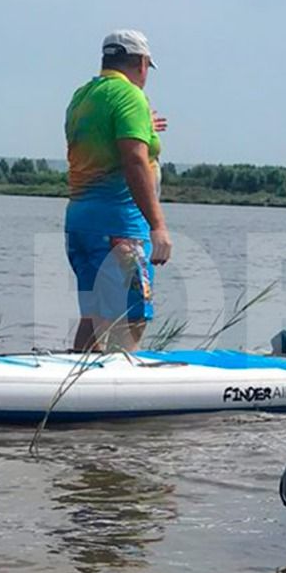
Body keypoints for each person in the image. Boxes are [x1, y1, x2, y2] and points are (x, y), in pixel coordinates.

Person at [64, 29, 172, 352]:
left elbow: (103, 144)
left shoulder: (82, 97)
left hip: (81, 224)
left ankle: (76, 389)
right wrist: (158, 226)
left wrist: (144, 127)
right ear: (141, 63)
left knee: (95, 317)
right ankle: (117, 392)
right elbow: (134, 161)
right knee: (131, 317)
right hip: (119, 227)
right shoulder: (130, 97)